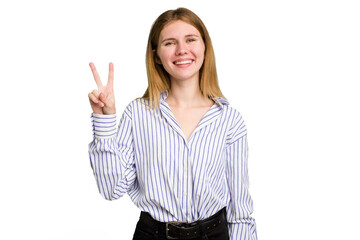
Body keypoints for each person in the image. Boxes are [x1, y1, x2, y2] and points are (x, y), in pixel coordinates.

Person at [88, 7, 257, 240]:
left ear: (205, 48)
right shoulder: (137, 114)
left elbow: (240, 210)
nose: (182, 50)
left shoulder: (229, 120)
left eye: (190, 39)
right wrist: (105, 118)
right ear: (157, 55)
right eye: (169, 43)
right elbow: (111, 189)